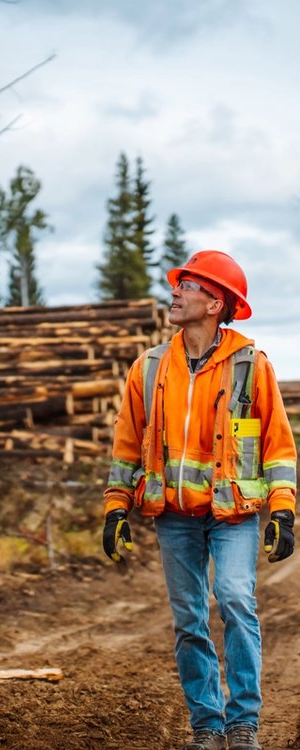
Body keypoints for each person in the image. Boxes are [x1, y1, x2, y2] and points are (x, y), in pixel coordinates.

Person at [102, 250, 297, 750]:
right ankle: (207, 728)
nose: (176, 291)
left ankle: (243, 723)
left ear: (216, 304)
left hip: (233, 515)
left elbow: (276, 445)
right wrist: (116, 505)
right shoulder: (148, 369)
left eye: (188, 286)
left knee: (235, 600)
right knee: (189, 618)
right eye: (179, 284)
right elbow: (128, 444)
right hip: (173, 516)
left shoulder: (251, 367)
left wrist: (283, 508)